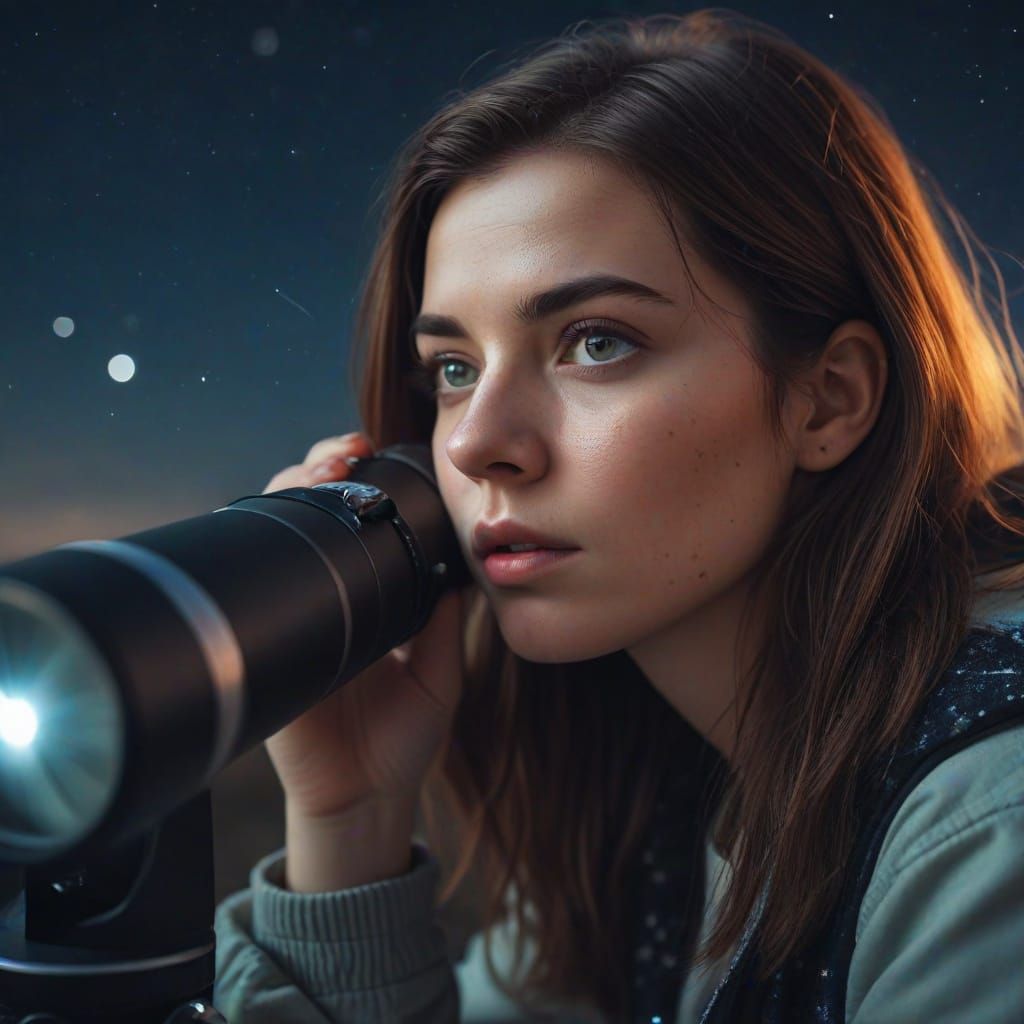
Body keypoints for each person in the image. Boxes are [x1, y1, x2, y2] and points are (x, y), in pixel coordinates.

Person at [213, 9, 1024, 1023]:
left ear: (828, 399)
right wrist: (353, 819)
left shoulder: (989, 820)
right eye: (454, 370)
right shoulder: (635, 779)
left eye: (594, 342)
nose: (472, 444)